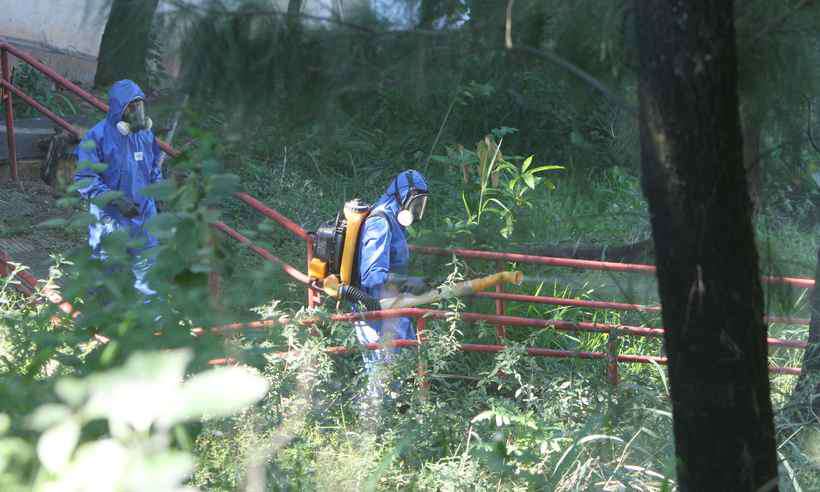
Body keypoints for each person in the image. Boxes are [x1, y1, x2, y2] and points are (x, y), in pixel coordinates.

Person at [74, 79, 163, 296]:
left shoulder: (145, 135)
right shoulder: (97, 136)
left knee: (148, 264)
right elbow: (85, 178)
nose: (138, 112)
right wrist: (114, 199)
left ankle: (152, 318)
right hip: (110, 215)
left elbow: (153, 168)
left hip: (144, 212)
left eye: (140, 105)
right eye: (131, 107)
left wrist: (158, 190)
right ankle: (98, 315)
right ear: (118, 109)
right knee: (105, 267)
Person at [354, 169, 430, 407]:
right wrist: (410, 283)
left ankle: (399, 426)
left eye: (421, 204)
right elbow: (372, 276)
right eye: (415, 203)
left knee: (398, 375)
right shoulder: (380, 222)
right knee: (381, 377)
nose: (417, 210)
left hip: (393, 310)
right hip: (376, 311)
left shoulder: (394, 221)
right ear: (401, 196)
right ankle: (371, 428)